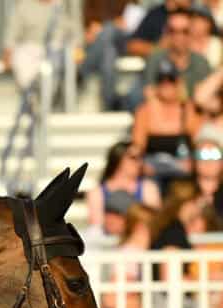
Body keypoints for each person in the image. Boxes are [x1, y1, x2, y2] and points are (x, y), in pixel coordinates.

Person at [132, 57, 201, 186]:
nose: (166, 85)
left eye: (170, 81)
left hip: (181, 165)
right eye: (162, 81)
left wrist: (193, 162)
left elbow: (198, 141)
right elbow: (138, 145)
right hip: (153, 166)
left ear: (178, 83)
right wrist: (142, 164)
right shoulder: (145, 111)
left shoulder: (187, 109)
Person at [86, 141, 162, 239]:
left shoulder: (148, 187)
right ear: (118, 159)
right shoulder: (97, 191)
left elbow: (153, 221)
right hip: (107, 241)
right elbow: (96, 225)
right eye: (133, 157)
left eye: (141, 157)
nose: (140, 162)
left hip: (138, 240)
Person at [139, 9, 212, 98]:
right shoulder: (155, 59)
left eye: (184, 31)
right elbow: (148, 93)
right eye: (173, 31)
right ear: (166, 32)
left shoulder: (201, 63)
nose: (178, 36)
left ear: (192, 32)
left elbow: (207, 97)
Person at [128, 0, 194, 57]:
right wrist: (161, 50)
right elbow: (133, 46)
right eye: (172, 31)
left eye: (185, 31)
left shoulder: (196, 14)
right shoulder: (155, 15)